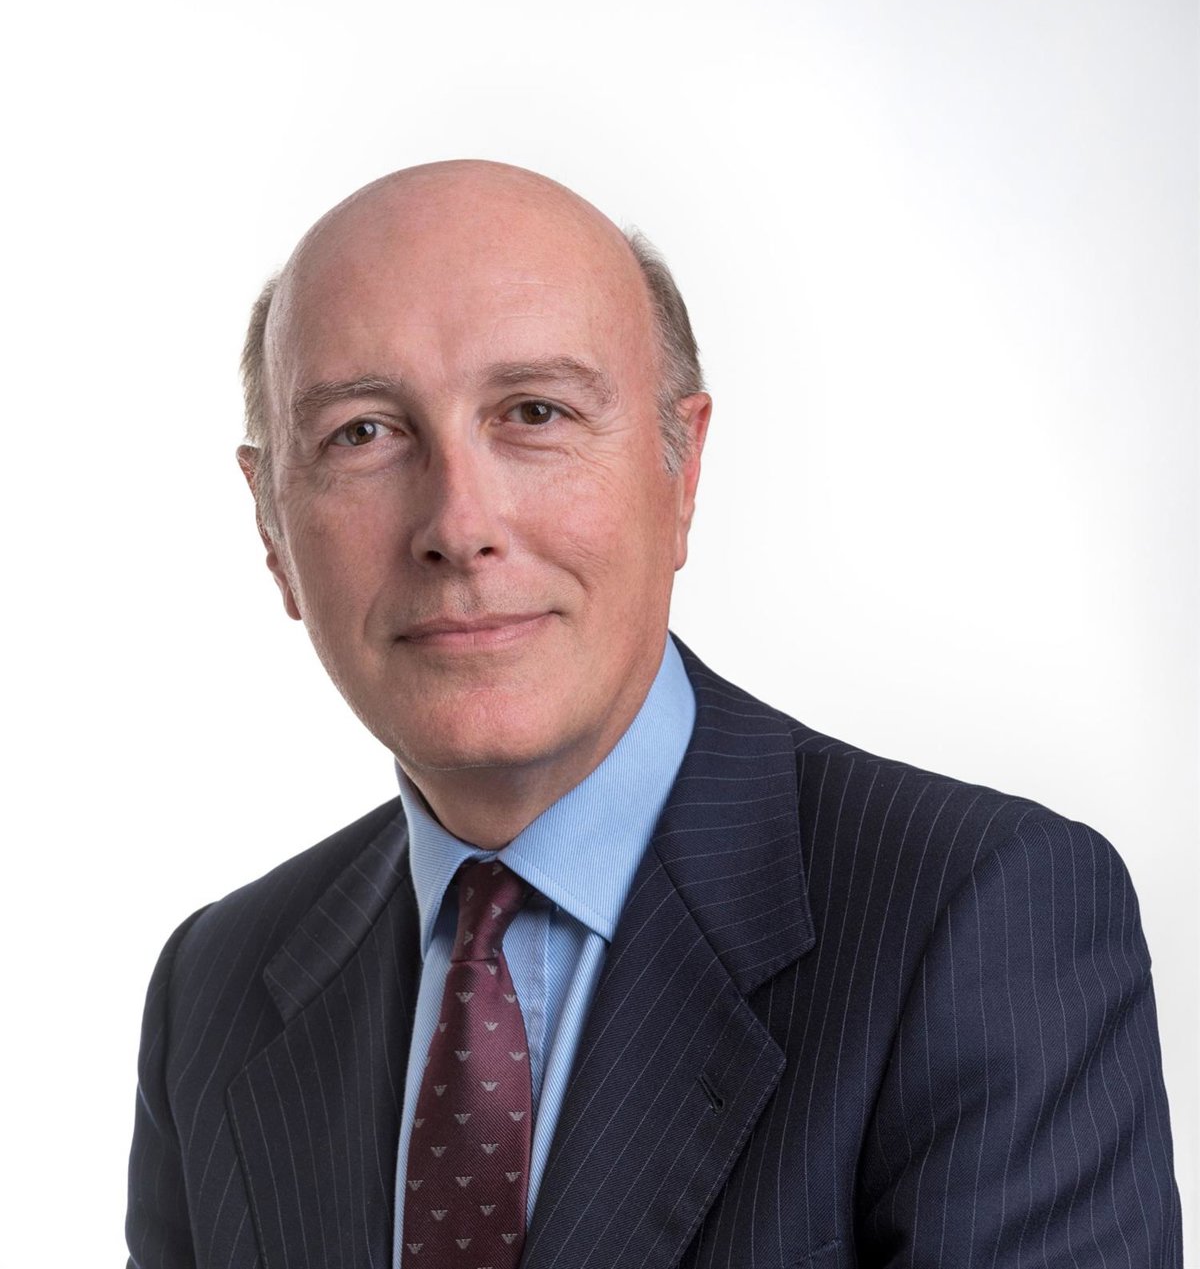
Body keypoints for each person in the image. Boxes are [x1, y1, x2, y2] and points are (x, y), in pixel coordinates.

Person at [126, 160, 1182, 1268]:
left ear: (682, 474)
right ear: (271, 529)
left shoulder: (976, 919)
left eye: (535, 413)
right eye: (362, 433)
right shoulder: (215, 992)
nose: (459, 525)